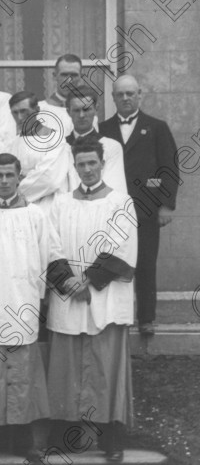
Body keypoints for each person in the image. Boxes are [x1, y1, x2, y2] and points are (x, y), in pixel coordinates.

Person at [0, 153, 67, 462]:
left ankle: (24, 440)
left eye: (10, 175)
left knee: (22, 376)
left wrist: (38, 298)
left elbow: (49, 255)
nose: (5, 180)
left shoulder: (35, 215)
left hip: (22, 303)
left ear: (19, 177)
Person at [46, 140, 137, 462]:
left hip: (105, 296)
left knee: (104, 368)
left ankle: (110, 437)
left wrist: (90, 282)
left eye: (92, 163)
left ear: (102, 163)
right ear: (74, 165)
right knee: (66, 369)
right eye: (81, 164)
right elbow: (51, 245)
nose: (87, 169)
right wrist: (69, 282)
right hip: (69, 295)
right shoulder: (60, 203)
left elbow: (122, 247)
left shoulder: (119, 202)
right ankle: (66, 436)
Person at [99, 75, 178, 336]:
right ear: (113, 98)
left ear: (139, 95)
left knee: (145, 264)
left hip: (145, 210)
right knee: (111, 262)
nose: (125, 98)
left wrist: (166, 205)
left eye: (130, 93)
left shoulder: (156, 127)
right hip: (111, 212)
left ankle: (146, 318)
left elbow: (169, 168)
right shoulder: (102, 129)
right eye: (120, 94)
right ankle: (111, 317)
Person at [7, 91, 69, 213]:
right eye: (15, 112)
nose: (19, 118)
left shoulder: (55, 139)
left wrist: (15, 191)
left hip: (48, 207)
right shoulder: (12, 145)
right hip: (19, 208)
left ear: (37, 110)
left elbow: (50, 179)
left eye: (24, 111)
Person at [64, 86, 126, 194]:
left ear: (96, 108)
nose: (81, 115)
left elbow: (114, 188)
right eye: (76, 110)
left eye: (86, 109)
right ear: (68, 112)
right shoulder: (61, 146)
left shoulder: (111, 146)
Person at [38, 54, 97, 137]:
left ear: (81, 77)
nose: (69, 80)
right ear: (54, 76)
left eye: (74, 75)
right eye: (64, 75)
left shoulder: (88, 112)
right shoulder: (40, 110)